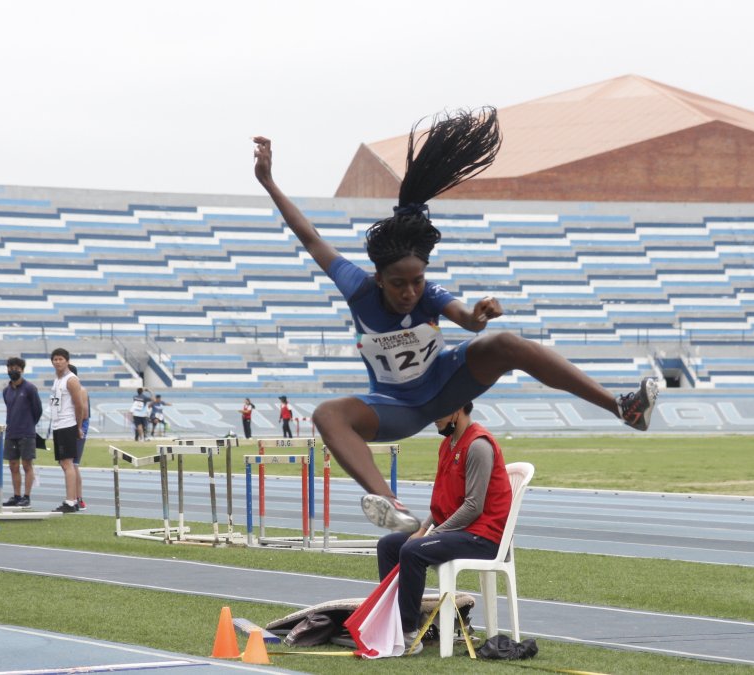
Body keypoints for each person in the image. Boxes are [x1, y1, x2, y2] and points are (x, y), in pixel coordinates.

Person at [253, 108, 657, 532]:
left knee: (506, 344)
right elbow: (311, 238)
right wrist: (269, 182)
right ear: (379, 279)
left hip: (447, 385)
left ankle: (623, 408)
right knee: (327, 414)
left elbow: (467, 320)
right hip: (398, 406)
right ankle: (392, 506)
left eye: (417, 281)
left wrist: (479, 314)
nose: (410, 292)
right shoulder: (357, 288)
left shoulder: (428, 294)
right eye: (398, 284)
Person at [375, 402, 512, 655]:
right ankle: (393, 622)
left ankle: (407, 633)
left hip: (484, 537)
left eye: (438, 411)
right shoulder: (447, 445)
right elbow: (443, 504)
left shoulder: (479, 445)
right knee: (388, 545)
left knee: (413, 550)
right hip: (460, 531)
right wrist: (423, 529)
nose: (433, 418)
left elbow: (473, 507)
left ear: (457, 409)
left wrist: (432, 534)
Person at [48, 348, 87, 514]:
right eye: (55, 359)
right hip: (58, 424)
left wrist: (78, 427)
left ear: (67, 361)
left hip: (68, 424)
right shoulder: (57, 379)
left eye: (61, 359)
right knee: (64, 464)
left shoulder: (71, 380)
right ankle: (73, 500)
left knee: (67, 463)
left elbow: (79, 406)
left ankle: (71, 501)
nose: (58, 362)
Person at [2, 357, 42, 508]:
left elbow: (38, 410)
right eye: (10, 368)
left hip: (26, 433)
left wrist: (29, 425)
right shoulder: (6, 391)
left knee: (27, 465)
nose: (13, 370)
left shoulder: (30, 388)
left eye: (16, 368)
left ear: (22, 370)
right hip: (11, 432)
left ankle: (27, 497)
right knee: (13, 465)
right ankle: (16, 496)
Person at [68, 364, 90, 511]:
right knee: (68, 464)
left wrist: (78, 428)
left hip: (76, 428)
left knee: (73, 464)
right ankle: (74, 498)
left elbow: (85, 412)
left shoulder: (80, 390)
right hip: (68, 427)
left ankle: (78, 499)